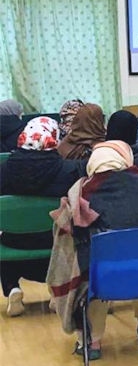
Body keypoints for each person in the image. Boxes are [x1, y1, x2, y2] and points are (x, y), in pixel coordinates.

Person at [47, 140, 138, 360]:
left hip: (103, 279)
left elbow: (68, 246)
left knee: (90, 271)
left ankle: (93, 342)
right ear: (125, 158)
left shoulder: (82, 194)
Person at [0, 117, 86, 317]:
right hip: (55, 240)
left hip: (14, 241)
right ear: (54, 138)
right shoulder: (69, 171)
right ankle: (57, 291)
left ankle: (13, 288)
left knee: (4, 235)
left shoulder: (3, 171)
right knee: (71, 238)